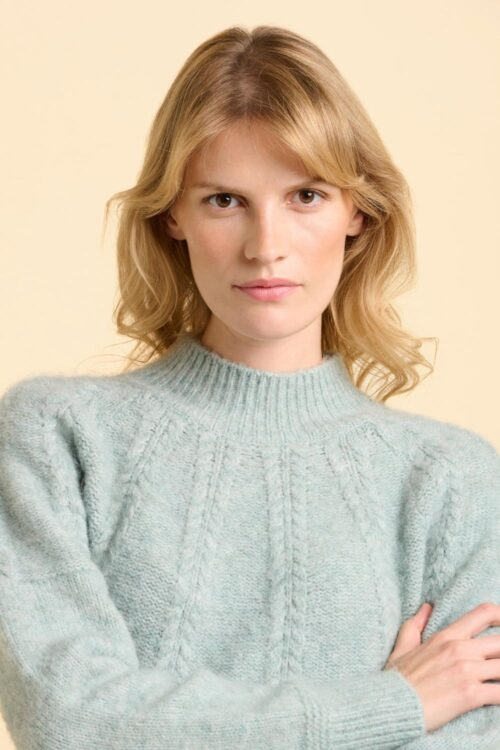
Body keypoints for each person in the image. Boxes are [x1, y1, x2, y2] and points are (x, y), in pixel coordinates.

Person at [0, 23, 499, 750]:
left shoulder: (453, 481)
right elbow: (68, 719)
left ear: (358, 212)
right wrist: (389, 705)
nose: (267, 246)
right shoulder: (57, 437)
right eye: (224, 200)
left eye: (306, 195)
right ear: (172, 215)